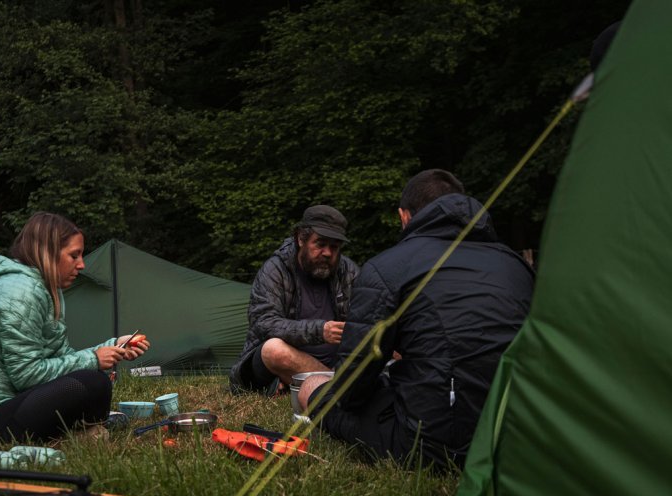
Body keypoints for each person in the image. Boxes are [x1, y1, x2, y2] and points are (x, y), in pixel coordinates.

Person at [299, 169, 534, 470]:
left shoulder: (388, 268)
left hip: (438, 445)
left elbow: (352, 389)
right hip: (515, 437)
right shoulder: (515, 265)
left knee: (314, 386)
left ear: (404, 217)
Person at [0, 212, 150, 447]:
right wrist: (93, 359)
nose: (81, 264)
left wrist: (111, 347)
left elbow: (60, 357)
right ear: (47, 253)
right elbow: (27, 375)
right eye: (73, 255)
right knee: (92, 381)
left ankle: (80, 428)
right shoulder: (19, 293)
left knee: (95, 380)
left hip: (6, 406)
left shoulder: (46, 289)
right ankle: (80, 430)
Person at [229, 205, 359, 394]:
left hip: (337, 363)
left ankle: (326, 385)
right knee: (274, 350)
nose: (328, 253)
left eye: (334, 247)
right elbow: (263, 323)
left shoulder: (348, 271)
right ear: (300, 239)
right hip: (278, 365)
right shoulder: (275, 270)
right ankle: (339, 390)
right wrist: (320, 331)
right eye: (320, 244)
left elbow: (366, 319)